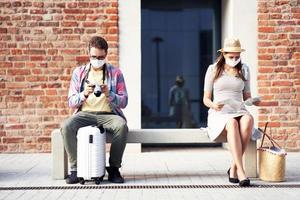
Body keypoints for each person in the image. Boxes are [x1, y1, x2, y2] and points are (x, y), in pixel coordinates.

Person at [61, 36, 128, 184]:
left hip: (108, 114)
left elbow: (124, 101)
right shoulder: (79, 73)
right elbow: (71, 101)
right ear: (88, 54)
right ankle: (76, 169)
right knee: (66, 126)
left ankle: (114, 169)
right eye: (93, 57)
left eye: (101, 57)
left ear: (106, 54)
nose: (97, 60)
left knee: (121, 126)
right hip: (85, 114)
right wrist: (84, 93)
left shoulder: (116, 73)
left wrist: (109, 94)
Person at [203, 38, 260, 187]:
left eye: (237, 57)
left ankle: (233, 167)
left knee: (248, 119)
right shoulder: (213, 69)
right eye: (231, 57)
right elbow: (206, 99)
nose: (234, 60)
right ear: (224, 54)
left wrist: (254, 101)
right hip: (220, 113)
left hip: (239, 109)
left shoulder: (245, 69)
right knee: (232, 123)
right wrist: (214, 105)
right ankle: (241, 171)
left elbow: (247, 96)